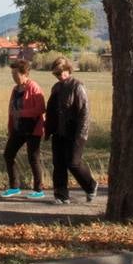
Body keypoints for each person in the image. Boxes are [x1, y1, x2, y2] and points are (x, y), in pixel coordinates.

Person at [43, 57, 97, 204]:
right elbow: (52, 110)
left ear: (68, 70)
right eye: (56, 74)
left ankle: (91, 185)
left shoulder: (77, 86)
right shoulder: (56, 88)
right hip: (58, 132)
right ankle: (61, 195)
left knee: (73, 163)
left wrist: (81, 135)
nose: (60, 76)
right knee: (58, 164)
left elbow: (84, 113)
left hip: (75, 132)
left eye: (61, 73)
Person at [0, 59, 47, 200]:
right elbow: (11, 110)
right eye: (12, 73)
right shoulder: (15, 89)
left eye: (16, 74)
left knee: (33, 158)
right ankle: (14, 187)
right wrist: (10, 127)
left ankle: (39, 190)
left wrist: (22, 113)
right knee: (8, 154)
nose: (13, 76)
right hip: (18, 129)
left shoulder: (34, 87)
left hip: (33, 128)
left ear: (25, 74)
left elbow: (40, 109)